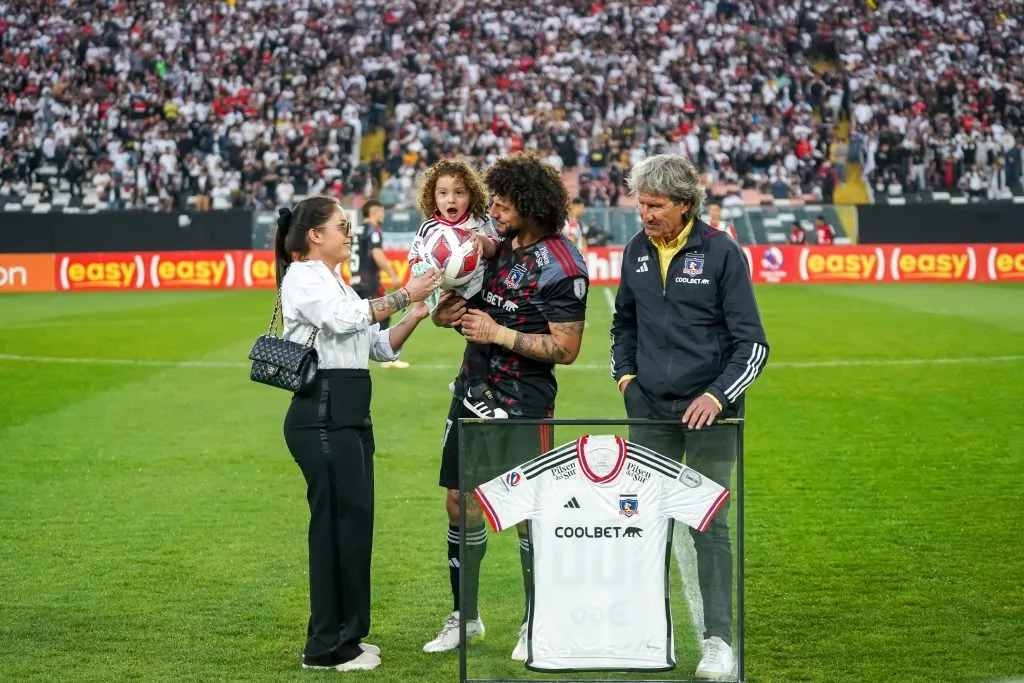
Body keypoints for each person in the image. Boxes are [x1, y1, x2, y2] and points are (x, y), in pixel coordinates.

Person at [424, 152, 589, 660]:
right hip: (471, 392)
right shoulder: (492, 250)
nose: (491, 207)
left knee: (526, 510)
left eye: (502, 201)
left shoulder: (563, 265)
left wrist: (499, 333)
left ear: (532, 205)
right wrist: (445, 315)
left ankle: (534, 622)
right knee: (460, 503)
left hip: (523, 401)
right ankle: (465, 616)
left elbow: (565, 348)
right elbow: (451, 312)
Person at [610, 154, 769, 680]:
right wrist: (627, 380)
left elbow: (752, 345)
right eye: (641, 205)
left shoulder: (722, 252)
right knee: (644, 521)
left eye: (655, 206)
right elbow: (623, 325)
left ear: (684, 204)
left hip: (711, 415)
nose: (645, 215)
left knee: (709, 525)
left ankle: (719, 640)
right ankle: (644, 632)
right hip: (649, 410)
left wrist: (718, 397)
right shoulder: (635, 251)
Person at [274, 195, 442, 672]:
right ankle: (325, 648)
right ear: (314, 236)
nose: (349, 233)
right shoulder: (304, 276)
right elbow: (343, 321)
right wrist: (404, 294)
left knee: (353, 525)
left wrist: (414, 313)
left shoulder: (335, 281)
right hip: (322, 412)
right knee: (333, 529)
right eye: (341, 226)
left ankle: (348, 634)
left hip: (347, 411)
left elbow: (378, 346)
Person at [407, 158, 505, 418]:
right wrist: (427, 275)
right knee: (478, 336)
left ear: (471, 195)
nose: (451, 200)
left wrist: (484, 242)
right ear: (433, 196)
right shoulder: (429, 228)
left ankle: (465, 381)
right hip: (453, 297)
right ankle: (475, 388)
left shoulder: (480, 221)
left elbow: (496, 247)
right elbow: (414, 260)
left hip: (482, 291)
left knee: (488, 339)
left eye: (459, 193)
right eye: (443, 193)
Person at [350, 199, 408, 368]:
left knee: (358, 319)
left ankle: (353, 354)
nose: (383, 215)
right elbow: (377, 253)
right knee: (384, 312)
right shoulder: (373, 230)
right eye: (381, 212)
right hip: (369, 281)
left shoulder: (357, 230)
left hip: (356, 280)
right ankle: (387, 359)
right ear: (375, 213)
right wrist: (392, 275)